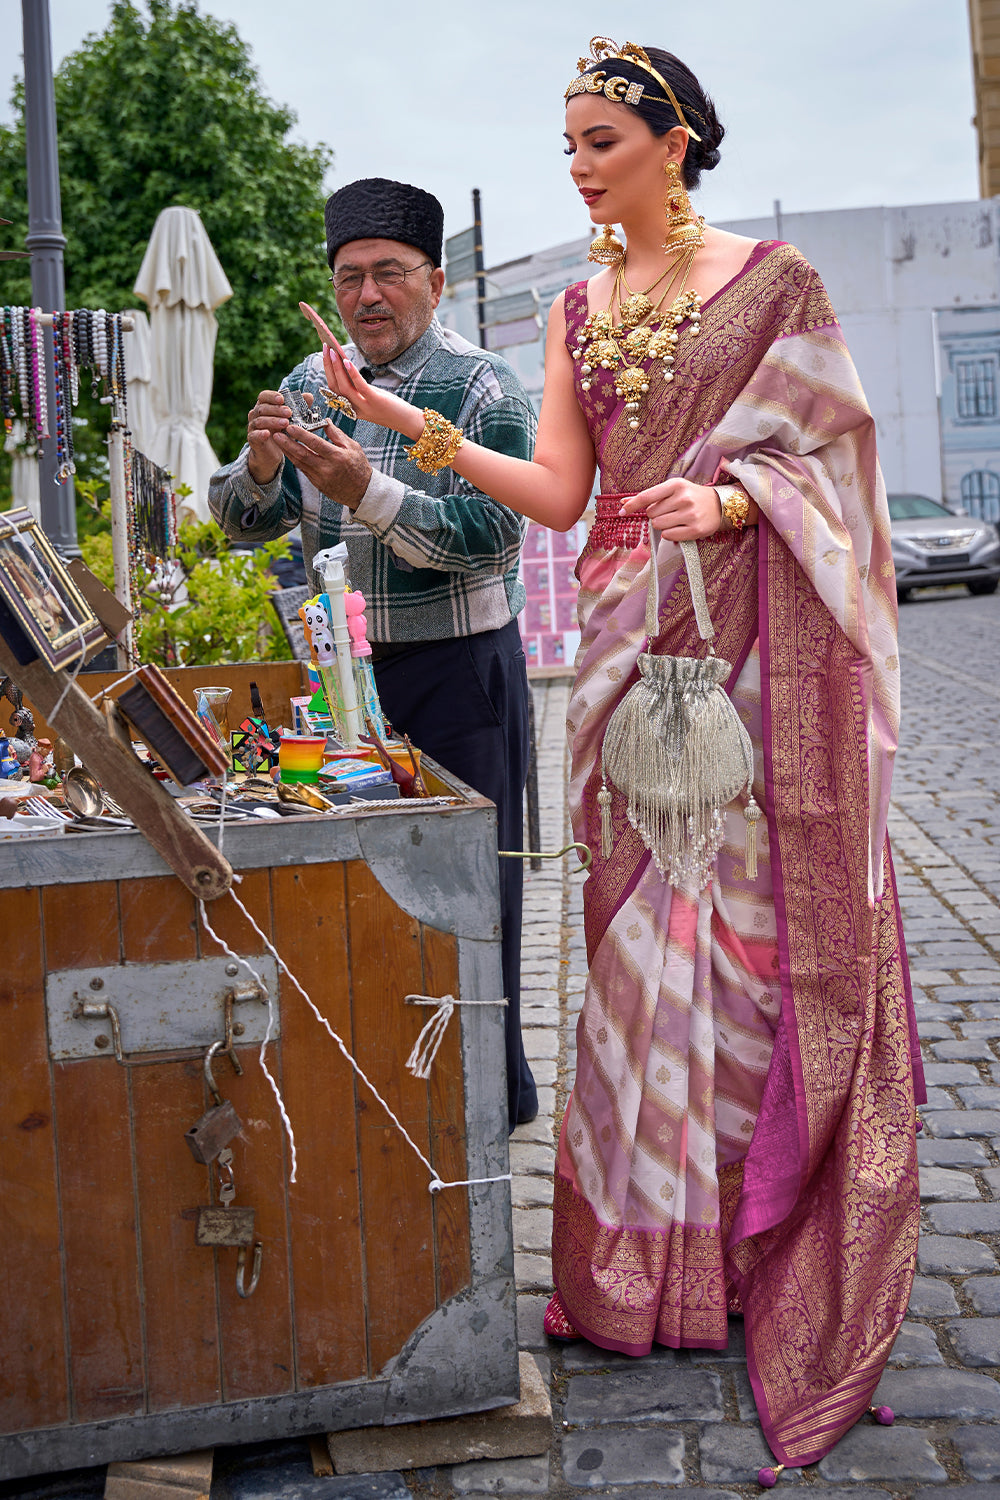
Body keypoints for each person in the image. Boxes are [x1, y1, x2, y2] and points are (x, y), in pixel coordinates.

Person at [316, 39, 927, 1474]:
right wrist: (419, 437)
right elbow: (562, 495)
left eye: (599, 138)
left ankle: (741, 1243)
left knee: (745, 950)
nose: (580, 164)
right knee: (636, 948)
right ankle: (643, 1270)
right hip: (620, 658)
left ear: (673, 139)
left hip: (745, 661)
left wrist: (729, 500)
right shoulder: (581, 307)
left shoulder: (774, 284)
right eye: (569, 143)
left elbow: (834, 458)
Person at [208, 178, 539, 1130]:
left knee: (476, 894)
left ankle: (487, 1102)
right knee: (359, 890)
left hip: (462, 675)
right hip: (342, 680)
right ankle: (387, 1097)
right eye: (350, 278)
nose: (367, 297)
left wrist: (367, 490)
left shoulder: (482, 386)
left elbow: (493, 532)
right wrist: (261, 467)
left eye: (389, 274)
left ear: (434, 281)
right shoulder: (315, 382)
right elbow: (243, 525)